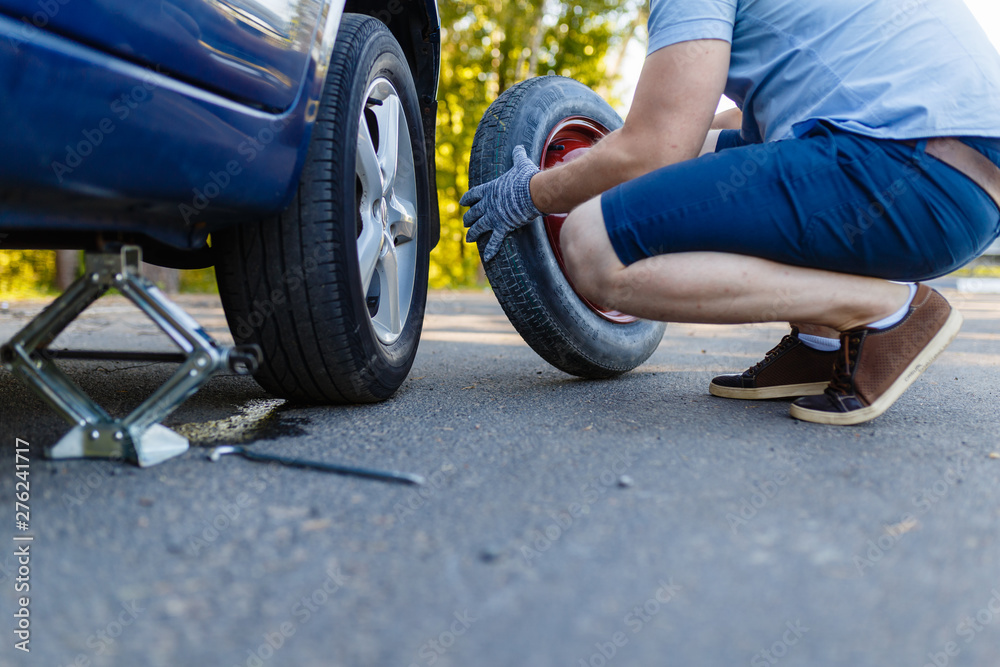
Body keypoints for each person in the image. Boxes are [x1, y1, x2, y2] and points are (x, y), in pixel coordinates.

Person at [461, 0, 1000, 425]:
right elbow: (719, 131)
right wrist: (607, 161)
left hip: (908, 171)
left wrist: (534, 192)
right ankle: (820, 344)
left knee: (592, 247)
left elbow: (654, 149)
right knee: (720, 156)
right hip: (961, 182)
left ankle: (888, 310)